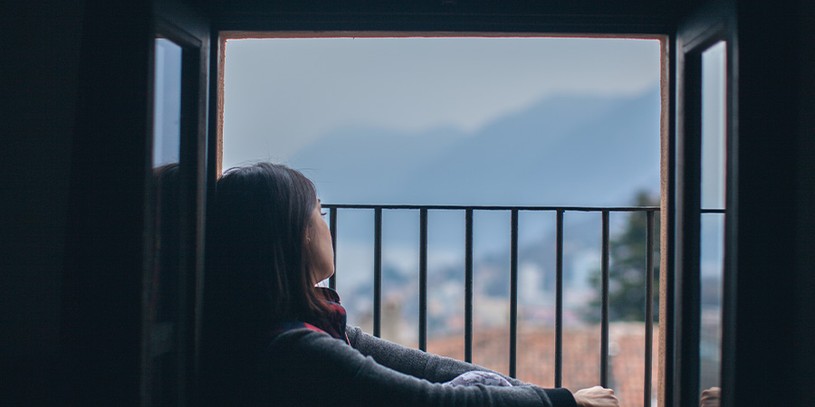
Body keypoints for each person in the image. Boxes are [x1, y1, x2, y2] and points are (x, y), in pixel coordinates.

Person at [200, 162, 619, 407]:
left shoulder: (312, 325)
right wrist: (563, 401)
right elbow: (433, 401)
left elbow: (429, 368)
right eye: (321, 214)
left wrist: (540, 395)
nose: (328, 227)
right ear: (298, 233)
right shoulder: (298, 350)